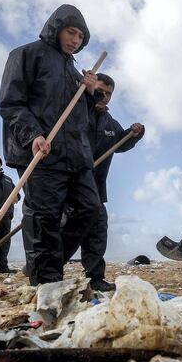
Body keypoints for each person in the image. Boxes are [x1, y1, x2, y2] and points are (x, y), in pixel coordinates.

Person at [0, 4, 102, 285]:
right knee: (45, 217)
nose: (75, 40)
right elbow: (11, 104)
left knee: (89, 209)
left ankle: (47, 265)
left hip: (75, 156)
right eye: (71, 32)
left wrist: (90, 94)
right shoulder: (25, 55)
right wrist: (33, 134)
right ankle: (47, 280)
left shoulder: (74, 71)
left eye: (81, 37)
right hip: (40, 151)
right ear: (56, 29)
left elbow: (79, 118)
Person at [62, 73, 145, 292]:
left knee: (98, 228)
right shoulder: (76, 111)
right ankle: (48, 269)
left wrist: (134, 134)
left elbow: (121, 143)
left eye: (109, 93)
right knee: (61, 228)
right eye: (100, 90)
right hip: (69, 184)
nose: (104, 96)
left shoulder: (110, 122)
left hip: (96, 188)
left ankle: (94, 277)